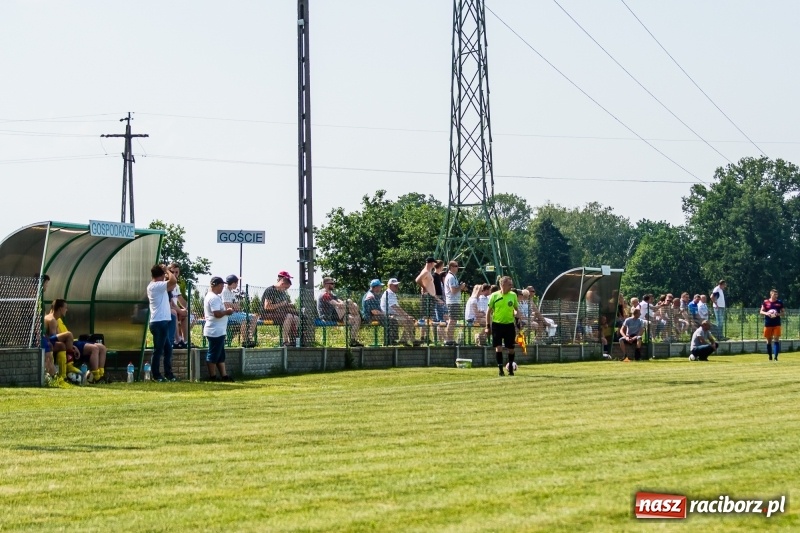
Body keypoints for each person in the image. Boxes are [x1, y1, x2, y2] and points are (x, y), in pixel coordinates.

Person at [45, 299, 109, 383]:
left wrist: (71, 344)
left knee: (102, 348)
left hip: (71, 342)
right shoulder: (52, 320)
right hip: (62, 342)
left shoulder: (57, 319)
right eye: (65, 308)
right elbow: (53, 338)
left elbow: (58, 337)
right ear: (60, 309)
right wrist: (72, 345)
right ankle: (95, 376)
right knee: (93, 348)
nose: (67, 310)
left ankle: (101, 375)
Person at [148, 264, 178, 382]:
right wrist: (167, 270)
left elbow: (172, 284)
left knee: (167, 349)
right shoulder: (156, 286)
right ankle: (156, 375)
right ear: (161, 275)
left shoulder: (156, 286)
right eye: (164, 274)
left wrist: (165, 272)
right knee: (158, 350)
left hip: (162, 322)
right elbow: (173, 280)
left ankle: (168, 373)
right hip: (158, 322)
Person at [486, 276, 519, 376]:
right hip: (497, 325)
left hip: (509, 325)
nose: (511, 286)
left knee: (511, 348)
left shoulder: (513, 295)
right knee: (498, 347)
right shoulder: (494, 296)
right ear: (503, 285)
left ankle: (511, 369)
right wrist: (487, 326)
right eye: (509, 284)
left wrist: (517, 316)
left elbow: (516, 308)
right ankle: (500, 369)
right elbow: (488, 312)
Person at [204, 276, 235, 381]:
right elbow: (216, 313)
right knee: (213, 355)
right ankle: (212, 376)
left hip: (218, 330)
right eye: (221, 285)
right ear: (216, 285)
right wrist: (227, 312)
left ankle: (224, 375)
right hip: (215, 331)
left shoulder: (212, 296)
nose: (223, 287)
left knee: (220, 355)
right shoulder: (213, 298)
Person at [317, 276, 363, 347]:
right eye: (331, 283)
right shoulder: (324, 294)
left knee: (357, 318)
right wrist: (348, 305)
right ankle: (360, 313)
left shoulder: (332, 294)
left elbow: (340, 302)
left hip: (338, 315)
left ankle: (352, 341)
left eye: (334, 283)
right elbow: (337, 304)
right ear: (326, 284)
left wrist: (348, 305)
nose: (333, 285)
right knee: (350, 302)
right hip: (328, 316)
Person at [262, 271, 300, 346]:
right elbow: (267, 307)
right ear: (282, 283)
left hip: (280, 315)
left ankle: (293, 340)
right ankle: (285, 342)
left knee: (295, 317)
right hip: (267, 315)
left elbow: (284, 306)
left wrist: (291, 306)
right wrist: (281, 304)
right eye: (286, 288)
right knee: (289, 316)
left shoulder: (283, 293)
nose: (286, 290)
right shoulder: (271, 290)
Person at [380, 278, 419, 346]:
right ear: (390, 285)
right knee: (409, 321)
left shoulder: (391, 293)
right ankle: (412, 341)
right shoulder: (389, 294)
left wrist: (406, 316)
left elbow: (396, 308)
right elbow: (395, 307)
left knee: (410, 321)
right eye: (395, 285)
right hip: (389, 316)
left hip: (393, 315)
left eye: (397, 285)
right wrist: (406, 316)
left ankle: (404, 340)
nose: (397, 287)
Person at [222, 274, 258, 347]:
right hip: (229, 314)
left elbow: (238, 307)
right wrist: (233, 305)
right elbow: (227, 306)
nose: (237, 285)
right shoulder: (224, 292)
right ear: (233, 283)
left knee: (254, 317)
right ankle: (245, 340)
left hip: (236, 313)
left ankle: (250, 337)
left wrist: (233, 305)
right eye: (236, 283)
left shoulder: (232, 293)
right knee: (244, 319)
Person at [362, 279, 398, 345]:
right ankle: (389, 341)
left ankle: (391, 340)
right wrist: (387, 315)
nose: (381, 288)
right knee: (389, 320)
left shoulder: (376, 295)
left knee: (392, 319)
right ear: (375, 287)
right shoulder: (370, 296)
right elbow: (374, 311)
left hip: (377, 315)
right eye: (380, 286)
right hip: (369, 317)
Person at [444, 260, 466, 345]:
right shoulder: (451, 277)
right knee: (452, 320)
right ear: (451, 267)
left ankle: (450, 338)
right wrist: (461, 287)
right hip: (452, 302)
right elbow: (453, 290)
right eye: (456, 266)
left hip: (454, 301)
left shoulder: (453, 276)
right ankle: (448, 339)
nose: (458, 268)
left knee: (453, 320)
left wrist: (460, 287)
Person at [168, 263, 189, 349]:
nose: (176, 274)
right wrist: (181, 311)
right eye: (173, 272)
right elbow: (170, 304)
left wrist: (188, 308)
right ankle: (177, 341)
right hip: (168, 310)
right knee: (175, 314)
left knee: (186, 315)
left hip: (174, 309)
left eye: (177, 272)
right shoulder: (167, 284)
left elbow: (181, 300)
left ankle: (185, 341)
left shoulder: (176, 286)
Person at [760, 288, 784, 361]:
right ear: (771, 294)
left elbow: (783, 313)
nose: (776, 296)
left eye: (777, 294)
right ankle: (770, 356)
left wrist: (778, 314)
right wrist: (766, 313)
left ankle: (776, 357)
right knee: (769, 340)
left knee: (776, 339)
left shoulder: (779, 302)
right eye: (774, 294)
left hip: (777, 324)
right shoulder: (765, 302)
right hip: (768, 323)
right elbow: (761, 311)